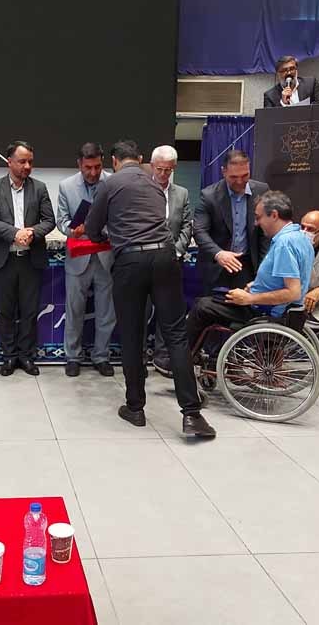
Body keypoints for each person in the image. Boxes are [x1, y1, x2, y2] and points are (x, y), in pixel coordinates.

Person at [85, 140, 215, 437]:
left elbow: (92, 229)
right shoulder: (155, 184)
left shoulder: (110, 184)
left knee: (133, 336)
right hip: (166, 258)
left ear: (114, 161)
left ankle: (135, 408)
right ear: (141, 158)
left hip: (130, 262)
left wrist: (110, 234)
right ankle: (192, 414)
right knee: (176, 336)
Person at [186, 190, 314, 349]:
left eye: (259, 217)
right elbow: (293, 279)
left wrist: (249, 298)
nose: (256, 223)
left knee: (202, 307)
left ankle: (182, 359)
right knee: (215, 299)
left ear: (274, 215)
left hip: (267, 312)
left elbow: (293, 292)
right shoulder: (301, 237)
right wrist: (257, 284)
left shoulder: (284, 244)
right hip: (287, 311)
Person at [0, 141, 55, 376]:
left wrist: (31, 232)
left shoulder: (40, 188)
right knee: (5, 311)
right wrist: (15, 233)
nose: (27, 166)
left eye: (30, 162)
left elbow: (49, 220)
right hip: (4, 260)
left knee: (29, 312)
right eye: (22, 161)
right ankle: (9, 357)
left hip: (30, 259)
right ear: (9, 162)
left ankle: (26, 356)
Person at [55, 142, 116, 377]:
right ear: (79, 164)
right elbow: (61, 220)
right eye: (88, 167)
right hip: (78, 257)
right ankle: (73, 356)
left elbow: (120, 219)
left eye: (97, 167)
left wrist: (100, 230)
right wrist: (72, 230)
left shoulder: (113, 182)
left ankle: (101, 356)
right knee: (74, 310)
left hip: (105, 256)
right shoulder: (66, 186)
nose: (93, 172)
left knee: (106, 311)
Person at [142, 145, 193, 379]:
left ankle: (162, 357)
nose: (163, 174)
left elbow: (186, 226)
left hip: (172, 261)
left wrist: (177, 252)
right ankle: (139, 355)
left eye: (168, 170)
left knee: (168, 312)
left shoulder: (181, 193)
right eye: (160, 169)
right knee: (141, 311)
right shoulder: (141, 190)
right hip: (145, 261)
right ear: (152, 166)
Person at [193, 149, 270, 294]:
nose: (240, 182)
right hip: (217, 266)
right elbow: (199, 231)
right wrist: (218, 253)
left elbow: (265, 234)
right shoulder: (209, 195)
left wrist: (264, 269)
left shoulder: (262, 190)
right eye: (234, 177)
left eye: (245, 175)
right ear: (223, 171)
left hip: (248, 266)